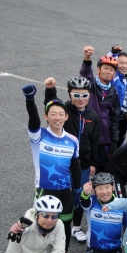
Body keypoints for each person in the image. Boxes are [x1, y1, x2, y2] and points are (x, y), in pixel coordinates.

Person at [22, 85, 81, 253]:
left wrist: (78, 189)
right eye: (52, 114)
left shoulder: (72, 140)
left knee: (63, 227)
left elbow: (75, 166)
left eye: (60, 114)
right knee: (40, 227)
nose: (57, 117)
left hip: (65, 191)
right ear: (46, 117)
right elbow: (33, 120)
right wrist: (30, 99)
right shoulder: (39, 136)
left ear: (66, 117)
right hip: (44, 190)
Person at [42, 77, 100, 243]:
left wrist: (93, 163)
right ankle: (53, 221)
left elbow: (95, 141)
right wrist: (51, 90)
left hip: (82, 164)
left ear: (89, 95)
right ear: (69, 94)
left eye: (84, 95)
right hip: (61, 161)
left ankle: (75, 226)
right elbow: (51, 106)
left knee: (79, 195)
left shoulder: (93, 115)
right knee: (58, 192)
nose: (80, 99)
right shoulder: (65, 110)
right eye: (76, 95)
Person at [80, 173, 125, 253]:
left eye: (107, 187)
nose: (104, 191)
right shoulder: (91, 202)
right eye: (99, 188)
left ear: (113, 187)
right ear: (94, 190)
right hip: (95, 249)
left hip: (115, 251)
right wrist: (85, 193)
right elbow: (84, 202)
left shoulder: (122, 204)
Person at [79, 48, 121, 169]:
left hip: (104, 140)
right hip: (87, 137)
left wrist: (114, 143)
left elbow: (115, 120)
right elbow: (85, 74)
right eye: (105, 68)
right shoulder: (91, 85)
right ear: (98, 70)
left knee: (101, 172)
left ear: (114, 73)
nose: (108, 72)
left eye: (111, 69)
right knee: (84, 170)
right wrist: (87, 59)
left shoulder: (114, 93)